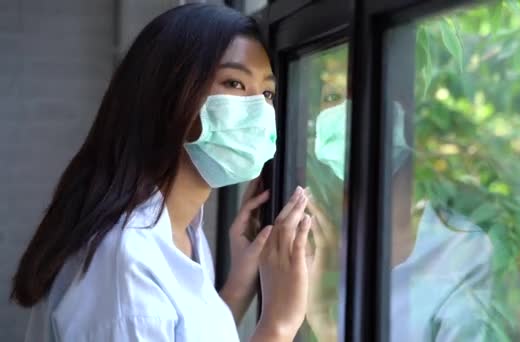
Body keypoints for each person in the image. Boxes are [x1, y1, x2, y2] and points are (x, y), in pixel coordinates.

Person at [11, 4, 313, 342]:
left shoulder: (181, 231)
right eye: (235, 84)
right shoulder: (126, 265)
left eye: (267, 92)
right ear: (171, 95)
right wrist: (278, 325)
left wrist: (238, 289)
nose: (259, 109)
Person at [307, 99, 495, 341]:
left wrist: (324, 322)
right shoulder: (320, 243)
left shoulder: (461, 249)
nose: (345, 102)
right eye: (331, 97)